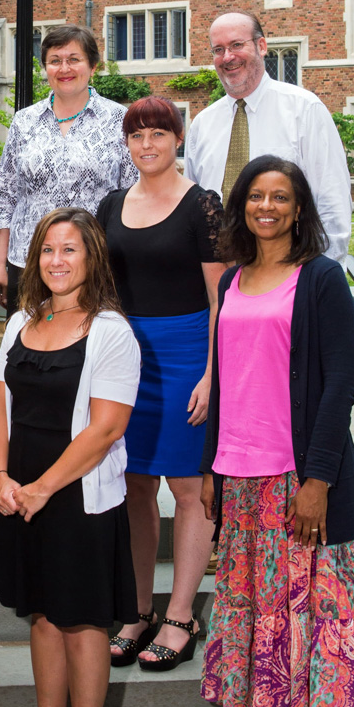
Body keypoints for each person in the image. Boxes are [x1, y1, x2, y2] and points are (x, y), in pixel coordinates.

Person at [200, 155, 354, 707]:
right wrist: (212, 465)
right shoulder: (233, 282)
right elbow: (228, 382)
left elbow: (339, 384)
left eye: (280, 197)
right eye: (255, 197)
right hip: (240, 474)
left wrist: (319, 479)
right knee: (263, 610)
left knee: (310, 609)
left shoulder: (322, 279)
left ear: (300, 209)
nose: (266, 207)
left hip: (297, 476)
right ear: (242, 206)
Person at [0, 207, 140, 707]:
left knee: (82, 621)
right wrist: (0, 476)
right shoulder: (24, 320)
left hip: (77, 495)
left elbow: (104, 430)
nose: (56, 261)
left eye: (69, 250)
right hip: (20, 491)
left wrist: (42, 488)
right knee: (43, 616)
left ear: (92, 257)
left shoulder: (110, 332)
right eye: (48, 250)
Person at [96, 98, 224, 670]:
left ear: (178, 139)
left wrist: (211, 375)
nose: (146, 144)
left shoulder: (204, 206)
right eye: (136, 135)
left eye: (158, 133)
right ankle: (139, 609)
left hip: (186, 355)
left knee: (188, 489)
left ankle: (179, 615)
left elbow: (222, 298)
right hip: (128, 358)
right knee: (136, 488)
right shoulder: (111, 204)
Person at [182, 11, 351, 261]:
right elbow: (193, 208)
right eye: (218, 49)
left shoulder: (304, 110)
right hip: (217, 278)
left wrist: (322, 277)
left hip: (287, 271)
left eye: (237, 45)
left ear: (261, 46)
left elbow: (331, 200)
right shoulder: (203, 123)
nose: (227, 57)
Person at [0, 26, 136, 313]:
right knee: (27, 350)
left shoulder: (120, 120)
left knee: (87, 351)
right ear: (45, 68)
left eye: (74, 59)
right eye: (55, 60)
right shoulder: (24, 121)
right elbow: (5, 196)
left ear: (93, 66)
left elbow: (133, 195)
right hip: (29, 262)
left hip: (94, 265)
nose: (64, 68)